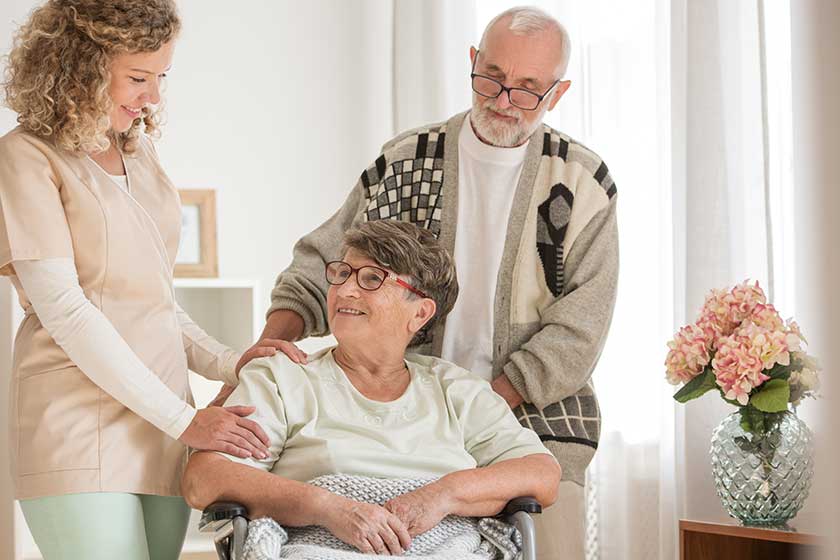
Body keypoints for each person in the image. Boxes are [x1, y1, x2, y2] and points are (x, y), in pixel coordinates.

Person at [243, 7, 618, 558]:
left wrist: (474, 409)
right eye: (491, 77)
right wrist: (269, 345)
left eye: (526, 89)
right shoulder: (407, 159)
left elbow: (582, 324)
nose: (503, 99)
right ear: (472, 61)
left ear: (557, 94)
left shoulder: (582, 182)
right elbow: (326, 257)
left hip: (536, 420)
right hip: (405, 418)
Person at [0, 1, 271, 558]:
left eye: (161, 77)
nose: (153, 97)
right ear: (80, 67)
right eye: (139, 78)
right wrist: (185, 419)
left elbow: (155, 301)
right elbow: (66, 309)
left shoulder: (138, 151)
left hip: (162, 419)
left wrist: (230, 362)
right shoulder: (26, 157)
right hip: (79, 416)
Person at [182, 220, 561, 556]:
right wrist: (328, 507)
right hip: (317, 547)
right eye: (342, 273)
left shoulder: (457, 391)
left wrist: (442, 495)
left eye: (371, 279)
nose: (345, 290)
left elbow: (541, 473)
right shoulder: (282, 378)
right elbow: (203, 478)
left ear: (420, 312)